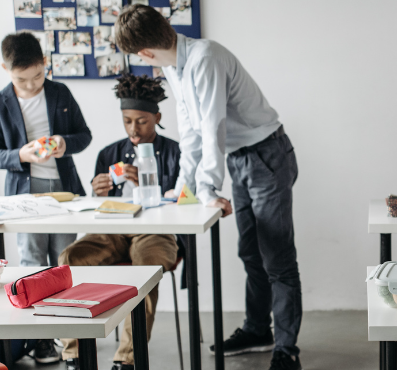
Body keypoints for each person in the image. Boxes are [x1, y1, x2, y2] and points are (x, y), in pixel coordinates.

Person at [114, 5, 303, 370]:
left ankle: (287, 349)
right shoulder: (174, 66)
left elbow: (212, 125)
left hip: (266, 155)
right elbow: (190, 133)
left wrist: (207, 187)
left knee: (277, 258)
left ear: (144, 53)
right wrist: (184, 186)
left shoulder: (205, 57)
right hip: (239, 157)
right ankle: (258, 330)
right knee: (250, 253)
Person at [56, 74, 181, 370]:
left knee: (146, 271)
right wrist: (97, 191)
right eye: (127, 121)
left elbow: (185, 201)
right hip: (111, 230)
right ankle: (74, 354)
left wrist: (152, 186)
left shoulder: (177, 153)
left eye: (142, 121)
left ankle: (127, 360)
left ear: (157, 117)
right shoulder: (108, 153)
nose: (134, 129)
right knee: (70, 257)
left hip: (156, 231)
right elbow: (96, 207)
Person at [0, 32, 92, 365]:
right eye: (22, 79)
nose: (31, 85)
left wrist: (63, 142)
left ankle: (67, 337)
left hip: (63, 192)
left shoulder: (60, 92)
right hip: (24, 196)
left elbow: (83, 135)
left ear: (45, 63)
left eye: (37, 76)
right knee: (32, 265)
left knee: (63, 263)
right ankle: (40, 340)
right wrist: (21, 154)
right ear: (5, 68)